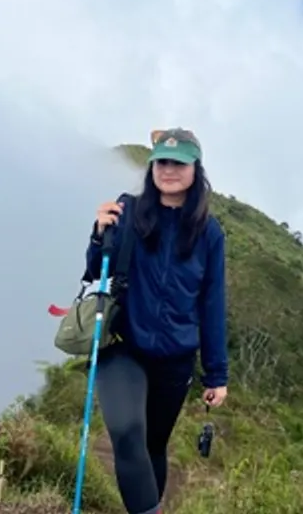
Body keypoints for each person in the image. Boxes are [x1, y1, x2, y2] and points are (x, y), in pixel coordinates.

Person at [83, 127, 228, 514]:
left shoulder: (209, 234)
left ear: (196, 169)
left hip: (175, 360)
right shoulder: (129, 211)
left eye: (179, 163)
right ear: (151, 167)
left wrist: (216, 374)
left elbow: (212, 304)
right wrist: (99, 234)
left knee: (153, 447)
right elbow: (96, 270)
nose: (169, 169)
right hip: (124, 347)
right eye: (161, 161)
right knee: (127, 433)